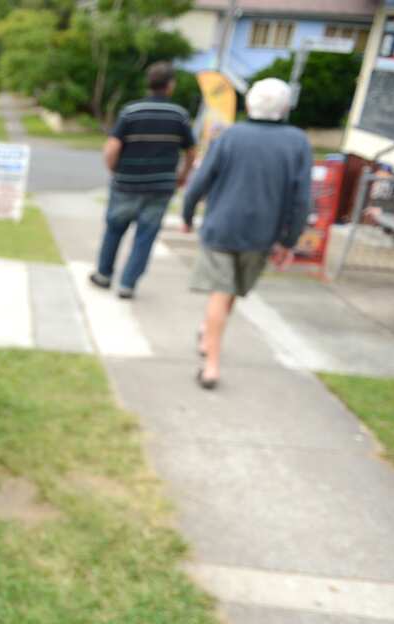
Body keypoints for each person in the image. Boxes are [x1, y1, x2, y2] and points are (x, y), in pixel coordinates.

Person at [182, 77, 312, 390]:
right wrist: (289, 240)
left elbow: (201, 181)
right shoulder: (297, 142)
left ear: (250, 103)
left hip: (221, 227)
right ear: (283, 107)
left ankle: (208, 344)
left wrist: (187, 214)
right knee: (228, 290)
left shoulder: (229, 136)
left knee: (222, 290)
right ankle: (211, 360)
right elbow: (301, 198)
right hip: (262, 233)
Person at [90, 61, 196, 299]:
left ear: (149, 83)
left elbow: (112, 147)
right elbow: (191, 152)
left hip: (126, 183)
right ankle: (128, 284)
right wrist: (182, 176)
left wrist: (114, 169)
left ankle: (104, 275)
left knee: (114, 230)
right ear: (170, 86)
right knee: (145, 236)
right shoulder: (179, 115)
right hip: (160, 186)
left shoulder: (131, 111)